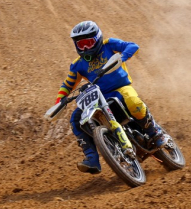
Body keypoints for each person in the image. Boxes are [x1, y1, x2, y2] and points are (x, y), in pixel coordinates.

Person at [55, 20, 168, 175]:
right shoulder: (78, 64)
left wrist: (122, 57)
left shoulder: (109, 45)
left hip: (120, 89)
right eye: (81, 45)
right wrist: (59, 100)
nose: (86, 48)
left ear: (97, 38)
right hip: (97, 97)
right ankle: (92, 158)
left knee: (132, 101)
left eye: (88, 42)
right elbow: (68, 84)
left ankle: (155, 132)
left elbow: (132, 46)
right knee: (76, 119)